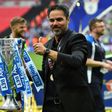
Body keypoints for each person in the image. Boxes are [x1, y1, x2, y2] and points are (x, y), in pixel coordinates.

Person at [33, 4, 95, 112]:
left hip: (74, 104)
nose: (55, 23)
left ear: (68, 20)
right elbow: (47, 75)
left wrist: (47, 52)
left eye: (59, 19)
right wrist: (27, 70)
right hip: (51, 104)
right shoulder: (48, 44)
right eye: (52, 20)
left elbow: (76, 61)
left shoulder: (77, 39)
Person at [85, 18, 112, 112]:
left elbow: (96, 58)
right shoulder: (88, 41)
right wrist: (103, 64)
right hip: (90, 80)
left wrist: (106, 62)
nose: (103, 28)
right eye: (101, 26)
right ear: (93, 28)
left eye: (103, 26)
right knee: (99, 108)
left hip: (98, 79)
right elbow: (85, 61)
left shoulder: (98, 42)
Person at [2, 16, 27, 112]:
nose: (24, 29)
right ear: (12, 27)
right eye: (21, 27)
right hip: (10, 90)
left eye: (24, 27)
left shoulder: (22, 42)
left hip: (22, 88)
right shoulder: (4, 43)